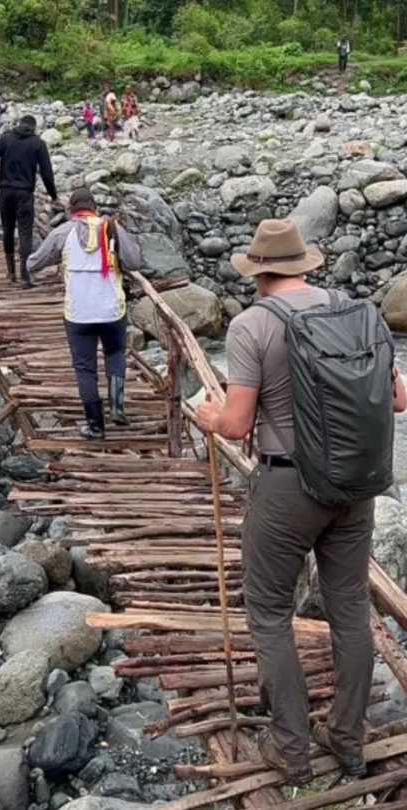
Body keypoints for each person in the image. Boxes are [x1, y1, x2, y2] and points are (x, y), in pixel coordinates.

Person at [195, 218, 406, 786]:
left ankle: (289, 753)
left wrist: (207, 414)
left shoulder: (251, 326)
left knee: (268, 613)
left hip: (288, 487)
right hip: (356, 485)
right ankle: (349, 741)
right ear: (304, 264)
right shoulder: (353, 311)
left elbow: (238, 423)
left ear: (259, 271)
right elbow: (399, 400)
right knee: (350, 614)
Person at [27, 188, 142, 438]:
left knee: (85, 368)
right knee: (114, 354)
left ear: (71, 210)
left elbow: (33, 263)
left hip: (78, 313)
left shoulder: (62, 232)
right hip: (112, 310)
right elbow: (134, 262)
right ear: (94, 208)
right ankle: (117, 406)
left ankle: (95, 426)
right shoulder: (111, 228)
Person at [0, 115, 59, 286]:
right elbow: (47, 174)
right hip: (25, 193)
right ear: (33, 127)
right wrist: (53, 195)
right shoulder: (37, 143)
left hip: (5, 191)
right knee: (25, 232)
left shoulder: (5, 139)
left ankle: (11, 271)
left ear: (19, 124)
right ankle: (25, 275)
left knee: (8, 230)